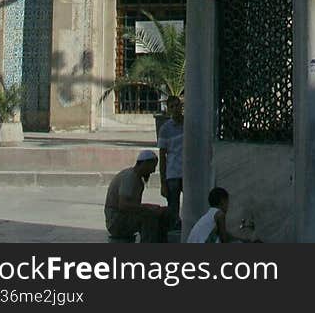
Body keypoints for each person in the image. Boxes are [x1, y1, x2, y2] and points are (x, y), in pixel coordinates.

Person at [104, 150, 169, 243]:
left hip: (123, 217)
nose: (153, 171)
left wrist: (154, 208)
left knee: (160, 215)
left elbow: (134, 206)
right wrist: (149, 208)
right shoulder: (129, 177)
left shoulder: (138, 181)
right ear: (144, 163)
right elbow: (123, 205)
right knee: (149, 219)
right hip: (116, 221)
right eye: (152, 166)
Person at [185, 187, 255, 243]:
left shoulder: (209, 215)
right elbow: (224, 240)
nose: (228, 206)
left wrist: (243, 240)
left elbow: (226, 235)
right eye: (227, 202)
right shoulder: (220, 214)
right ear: (223, 201)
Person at [157, 96, 184, 231]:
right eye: (172, 107)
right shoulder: (165, 129)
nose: (175, 109)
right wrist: (163, 182)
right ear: (168, 109)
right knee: (173, 205)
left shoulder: (188, 125)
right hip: (173, 173)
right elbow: (162, 156)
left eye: (177, 105)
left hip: (188, 172)